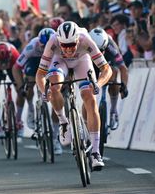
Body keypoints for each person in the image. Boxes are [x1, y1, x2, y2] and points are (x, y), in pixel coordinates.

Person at [35, 21, 112, 170]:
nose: (68, 49)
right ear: (59, 41)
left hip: (82, 61)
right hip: (59, 61)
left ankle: (95, 152)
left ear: (78, 39)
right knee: (55, 86)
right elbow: (40, 74)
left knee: (90, 98)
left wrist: (98, 84)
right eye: (64, 45)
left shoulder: (85, 40)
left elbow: (106, 69)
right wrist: (44, 90)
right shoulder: (53, 42)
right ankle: (63, 122)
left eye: (72, 44)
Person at [12, 28, 63, 155]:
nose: (44, 48)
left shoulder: (59, 46)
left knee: (57, 97)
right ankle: (30, 109)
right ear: (38, 43)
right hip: (34, 62)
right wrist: (20, 86)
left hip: (51, 62)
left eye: (47, 46)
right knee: (30, 83)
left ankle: (55, 138)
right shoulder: (32, 46)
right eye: (42, 46)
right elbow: (16, 67)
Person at [89, 28, 129, 130]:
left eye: (102, 50)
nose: (100, 52)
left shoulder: (111, 47)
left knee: (113, 75)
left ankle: (113, 110)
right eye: (97, 49)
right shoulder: (85, 44)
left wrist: (124, 86)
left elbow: (123, 68)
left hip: (108, 62)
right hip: (91, 63)